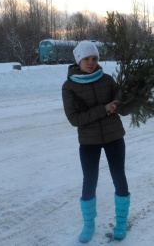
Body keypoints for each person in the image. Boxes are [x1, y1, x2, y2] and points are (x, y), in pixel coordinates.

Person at [62, 40, 131, 243]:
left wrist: (132, 99)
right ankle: (89, 224)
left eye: (94, 58)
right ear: (78, 60)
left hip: (114, 136)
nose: (91, 62)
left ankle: (121, 222)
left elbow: (123, 109)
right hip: (88, 140)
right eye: (86, 59)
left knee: (119, 176)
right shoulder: (69, 87)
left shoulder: (108, 80)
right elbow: (75, 119)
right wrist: (104, 109)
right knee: (89, 180)